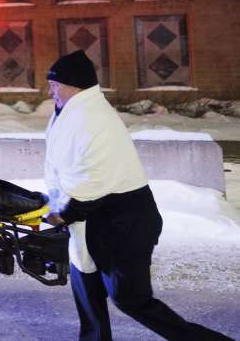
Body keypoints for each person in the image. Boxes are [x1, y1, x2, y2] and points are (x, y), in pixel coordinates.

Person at [43, 50, 232, 341]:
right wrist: (55, 200)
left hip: (124, 223)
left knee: (130, 298)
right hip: (92, 221)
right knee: (87, 289)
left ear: (75, 86)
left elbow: (95, 178)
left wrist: (65, 212)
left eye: (55, 85)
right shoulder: (68, 113)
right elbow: (62, 165)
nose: (51, 90)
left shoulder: (94, 118)